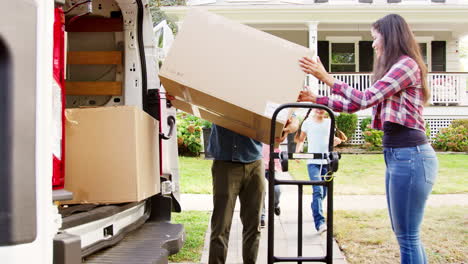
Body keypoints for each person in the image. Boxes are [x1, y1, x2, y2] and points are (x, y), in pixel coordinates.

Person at [298, 14, 438, 264]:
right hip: (399, 155)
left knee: (407, 237)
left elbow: (363, 98)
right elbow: (354, 105)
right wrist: (316, 99)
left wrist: (326, 78)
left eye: (375, 38)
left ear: (391, 37)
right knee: (406, 235)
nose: (373, 45)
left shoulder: (406, 65)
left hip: (411, 156)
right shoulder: (395, 69)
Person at [207, 117, 298, 264]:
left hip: (254, 163)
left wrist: (292, 125)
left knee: (253, 225)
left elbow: (289, 112)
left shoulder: (258, 95)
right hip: (225, 163)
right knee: (220, 226)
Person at [294, 109, 341, 234]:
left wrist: (336, 141)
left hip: (327, 163)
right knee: (318, 190)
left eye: (323, 108)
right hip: (313, 162)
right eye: (318, 108)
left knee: (323, 193)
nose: (320, 110)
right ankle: (320, 223)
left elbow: (331, 140)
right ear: (314, 109)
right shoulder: (308, 122)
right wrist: (298, 152)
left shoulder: (329, 122)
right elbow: (301, 139)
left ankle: (315, 206)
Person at [260, 143, 282, 228]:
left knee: (277, 190)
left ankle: (275, 205)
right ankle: (262, 217)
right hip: (259, 164)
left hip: (271, 166)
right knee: (261, 191)